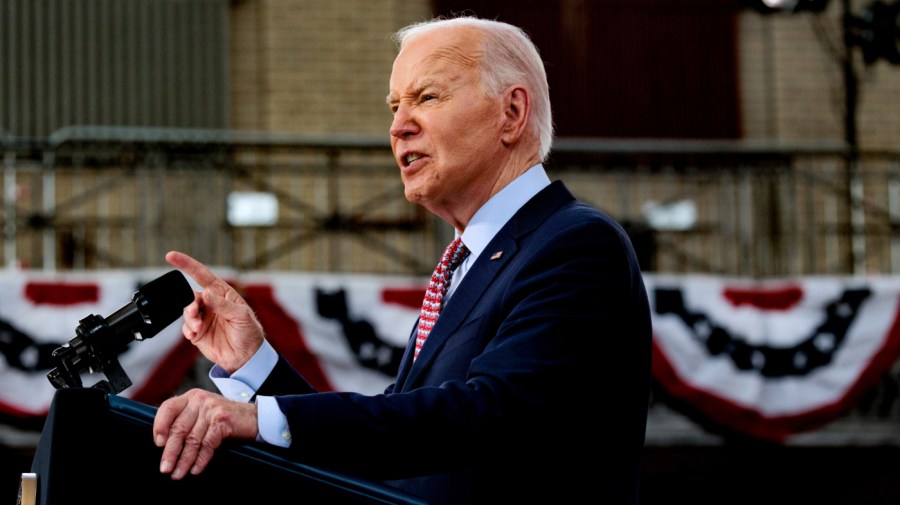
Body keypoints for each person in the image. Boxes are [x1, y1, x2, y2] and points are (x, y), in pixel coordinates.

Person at [153, 15, 652, 504]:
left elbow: (485, 416)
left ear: (512, 114)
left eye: (427, 98)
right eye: (394, 106)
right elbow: (395, 445)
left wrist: (259, 418)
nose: (398, 127)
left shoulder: (576, 244)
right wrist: (253, 364)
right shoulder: (467, 263)